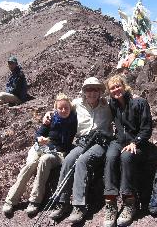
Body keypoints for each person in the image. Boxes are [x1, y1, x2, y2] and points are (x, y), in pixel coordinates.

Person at [48, 77, 113, 224]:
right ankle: (62, 202)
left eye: (96, 89)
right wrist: (49, 113)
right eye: (89, 89)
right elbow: (61, 107)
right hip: (83, 141)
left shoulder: (107, 105)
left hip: (100, 143)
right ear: (84, 91)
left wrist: (132, 95)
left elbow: (122, 102)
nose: (92, 93)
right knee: (69, 159)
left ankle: (79, 205)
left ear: (100, 92)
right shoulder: (76, 104)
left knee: (82, 161)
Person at [2, 93, 77, 216]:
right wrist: (40, 139)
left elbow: (65, 143)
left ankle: (35, 201)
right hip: (40, 148)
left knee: (45, 160)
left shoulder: (74, 120)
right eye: (60, 108)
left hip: (58, 152)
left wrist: (50, 142)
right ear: (56, 108)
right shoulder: (51, 119)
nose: (63, 110)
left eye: (66, 108)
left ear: (70, 107)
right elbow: (38, 134)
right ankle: (11, 200)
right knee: (30, 164)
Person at [103, 74, 152, 227]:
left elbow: (146, 129)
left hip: (137, 142)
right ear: (109, 91)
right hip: (118, 141)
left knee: (126, 157)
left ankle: (129, 201)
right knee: (110, 157)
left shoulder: (140, 102)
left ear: (124, 86)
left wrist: (135, 142)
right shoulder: (112, 103)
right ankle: (110, 202)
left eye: (118, 86)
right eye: (112, 88)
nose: (116, 90)